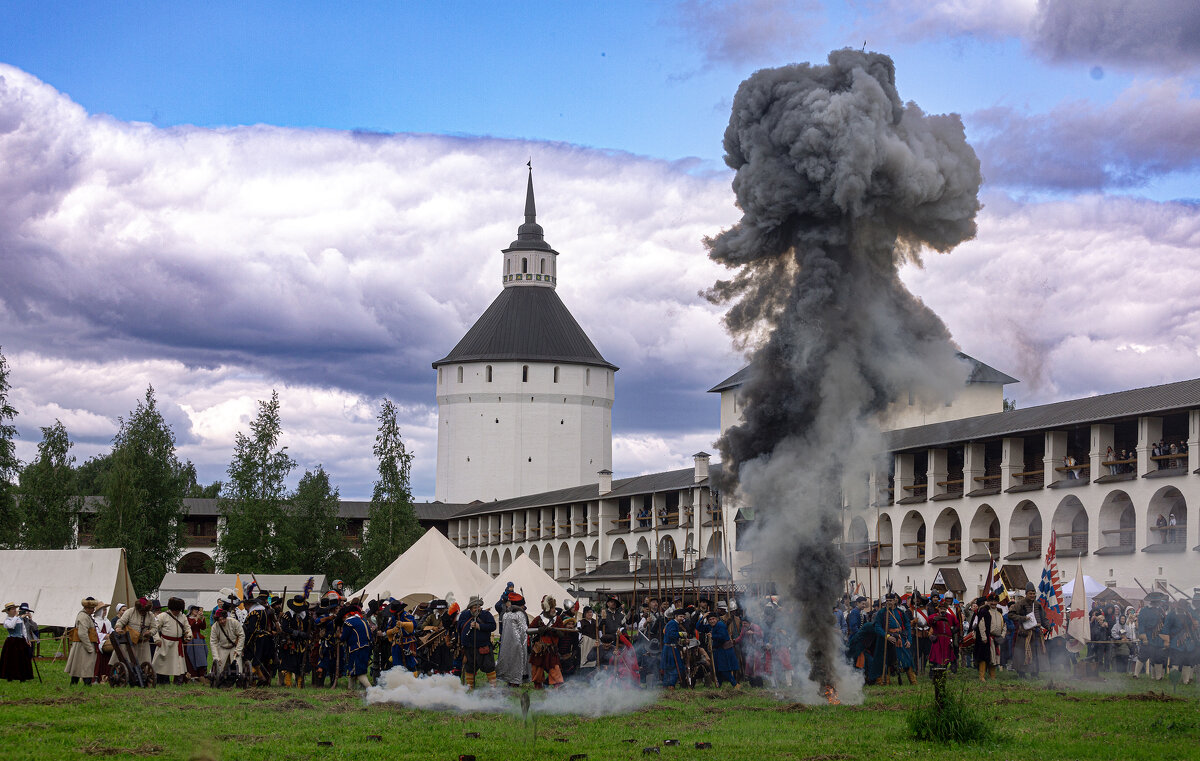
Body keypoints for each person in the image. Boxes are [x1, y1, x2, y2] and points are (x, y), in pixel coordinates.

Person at [872, 592, 915, 685]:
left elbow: (907, 626)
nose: (888, 602)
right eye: (887, 601)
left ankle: (913, 681)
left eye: (890, 600)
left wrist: (909, 640)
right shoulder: (881, 613)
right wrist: (887, 636)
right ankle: (885, 682)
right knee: (886, 661)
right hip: (886, 640)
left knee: (906, 659)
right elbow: (877, 627)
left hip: (899, 639)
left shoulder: (900, 612)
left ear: (895, 600)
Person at [457, 595, 498, 688]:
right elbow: (459, 627)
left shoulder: (486, 615)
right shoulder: (464, 615)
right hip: (469, 647)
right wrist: (469, 626)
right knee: (469, 668)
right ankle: (470, 687)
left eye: (479, 607)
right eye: (475, 607)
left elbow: (492, 626)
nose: (477, 609)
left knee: (489, 667)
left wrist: (480, 627)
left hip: (483, 646)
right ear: (470, 608)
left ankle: (493, 688)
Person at [1008, 582, 1046, 678]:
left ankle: (1035, 673)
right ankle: (1022, 673)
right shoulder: (1020, 604)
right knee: (1022, 654)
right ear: (1026, 594)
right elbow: (1011, 615)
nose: (1032, 595)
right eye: (1030, 594)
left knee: (1036, 654)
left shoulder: (1038, 605)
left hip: (1036, 634)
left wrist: (1048, 626)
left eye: (1034, 594)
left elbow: (1043, 618)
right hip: (1024, 634)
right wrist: (1023, 618)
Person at [528, 595, 564, 688]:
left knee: (555, 669)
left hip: (551, 649)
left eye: (554, 607)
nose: (554, 610)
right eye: (552, 608)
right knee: (537, 670)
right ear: (547, 608)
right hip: (540, 649)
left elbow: (562, 634)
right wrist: (539, 630)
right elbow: (529, 631)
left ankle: (557, 687)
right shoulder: (538, 619)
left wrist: (556, 631)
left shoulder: (558, 619)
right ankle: (538, 687)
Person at [65, 597, 102, 685]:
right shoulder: (83, 617)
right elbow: (82, 634)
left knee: (79, 666)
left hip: (83, 645)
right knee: (86, 666)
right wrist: (89, 648)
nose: (93, 610)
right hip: (82, 646)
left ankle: (75, 684)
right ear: (87, 608)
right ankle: (86, 684)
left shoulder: (87, 616)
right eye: (92, 608)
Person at [112, 597, 155, 670]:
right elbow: (121, 622)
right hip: (129, 643)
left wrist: (150, 632)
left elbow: (155, 627)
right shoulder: (130, 612)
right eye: (141, 611)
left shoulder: (150, 615)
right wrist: (118, 627)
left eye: (144, 611)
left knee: (144, 666)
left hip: (143, 643)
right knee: (127, 664)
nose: (143, 612)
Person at [699, 611, 739, 688]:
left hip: (724, 650)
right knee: (717, 670)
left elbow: (723, 637)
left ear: (717, 619)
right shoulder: (710, 626)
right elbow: (699, 627)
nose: (712, 621)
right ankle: (719, 686)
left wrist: (712, 636)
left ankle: (735, 684)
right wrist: (702, 617)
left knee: (724, 670)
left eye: (713, 619)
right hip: (717, 651)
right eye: (710, 619)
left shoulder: (720, 625)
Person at [279, 595, 312, 686]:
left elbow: (311, 628)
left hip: (303, 643)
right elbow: (284, 628)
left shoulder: (307, 615)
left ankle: (300, 684)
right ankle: (288, 684)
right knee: (288, 665)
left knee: (301, 664)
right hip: (290, 643)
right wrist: (296, 632)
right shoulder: (287, 615)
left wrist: (307, 634)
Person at [496, 592, 529, 686]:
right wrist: (525, 644)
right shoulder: (520, 615)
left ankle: (509, 681)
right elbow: (524, 631)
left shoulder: (506, 614)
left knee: (508, 661)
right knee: (517, 662)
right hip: (518, 643)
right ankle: (515, 681)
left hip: (506, 643)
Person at [1135, 592, 1169, 681]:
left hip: (1158, 638)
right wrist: (1144, 637)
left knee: (1158, 657)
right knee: (1143, 656)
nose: (1157, 602)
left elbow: (1164, 624)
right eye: (1156, 601)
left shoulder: (1161, 610)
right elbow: (1141, 625)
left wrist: (1165, 637)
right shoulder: (1144, 610)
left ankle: (1158, 677)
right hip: (1148, 636)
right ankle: (1136, 675)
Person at [973, 594, 1005, 681]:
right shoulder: (984, 611)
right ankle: (982, 676)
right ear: (988, 601)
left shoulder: (999, 613)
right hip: (987, 638)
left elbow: (1004, 625)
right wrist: (984, 637)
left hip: (996, 639)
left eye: (995, 601)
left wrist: (1002, 636)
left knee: (994, 658)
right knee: (984, 657)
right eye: (991, 601)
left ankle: (992, 676)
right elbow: (981, 624)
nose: (993, 603)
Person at [340, 602, 372, 690]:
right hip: (366, 648)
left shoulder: (349, 622)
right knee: (353, 670)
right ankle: (351, 690)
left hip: (356, 649)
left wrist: (339, 636)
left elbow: (344, 637)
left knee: (359, 672)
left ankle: (372, 690)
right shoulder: (363, 621)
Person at [1, 601, 36, 682]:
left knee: (22, 659)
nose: (15, 610)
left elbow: (23, 630)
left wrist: (27, 639)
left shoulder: (19, 619)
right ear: (8, 611)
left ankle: (22, 677)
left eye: (15, 609)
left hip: (20, 640)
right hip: (11, 641)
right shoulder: (7, 621)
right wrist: (16, 617)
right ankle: (10, 676)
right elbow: (11, 626)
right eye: (12, 609)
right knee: (11, 659)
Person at [210, 608, 245, 681]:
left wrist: (238, 650)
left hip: (234, 647)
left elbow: (241, 635)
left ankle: (238, 680)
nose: (222, 621)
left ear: (226, 617)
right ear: (217, 620)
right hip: (223, 647)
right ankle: (218, 679)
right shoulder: (214, 627)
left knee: (237, 666)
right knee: (219, 666)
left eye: (223, 619)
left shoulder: (234, 622)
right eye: (220, 620)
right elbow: (213, 642)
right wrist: (216, 657)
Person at [385, 601, 418, 672]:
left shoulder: (406, 615)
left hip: (408, 643)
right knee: (397, 664)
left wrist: (403, 624)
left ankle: (413, 680)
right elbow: (387, 630)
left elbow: (414, 625)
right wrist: (393, 630)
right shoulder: (394, 617)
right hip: (396, 644)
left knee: (409, 663)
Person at [927, 596, 957, 668]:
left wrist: (954, 630)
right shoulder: (934, 616)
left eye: (944, 608)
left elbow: (957, 625)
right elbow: (929, 620)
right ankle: (935, 673)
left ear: (946, 609)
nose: (942, 610)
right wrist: (937, 618)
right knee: (937, 658)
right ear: (938, 609)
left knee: (946, 658)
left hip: (947, 640)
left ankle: (944, 672)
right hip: (938, 640)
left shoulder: (951, 617)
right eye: (941, 608)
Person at [661, 609, 688, 689]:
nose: (682, 618)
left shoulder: (675, 624)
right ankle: (671, 685)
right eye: (680, 616)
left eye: (683, 617)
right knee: (674, 666)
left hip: (671, 646)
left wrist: (682, 640)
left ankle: (668, 684)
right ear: (676, 617)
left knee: (670, 667)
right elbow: (671, 634)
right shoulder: (673, 623)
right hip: (670, 648)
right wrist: (681, 634)